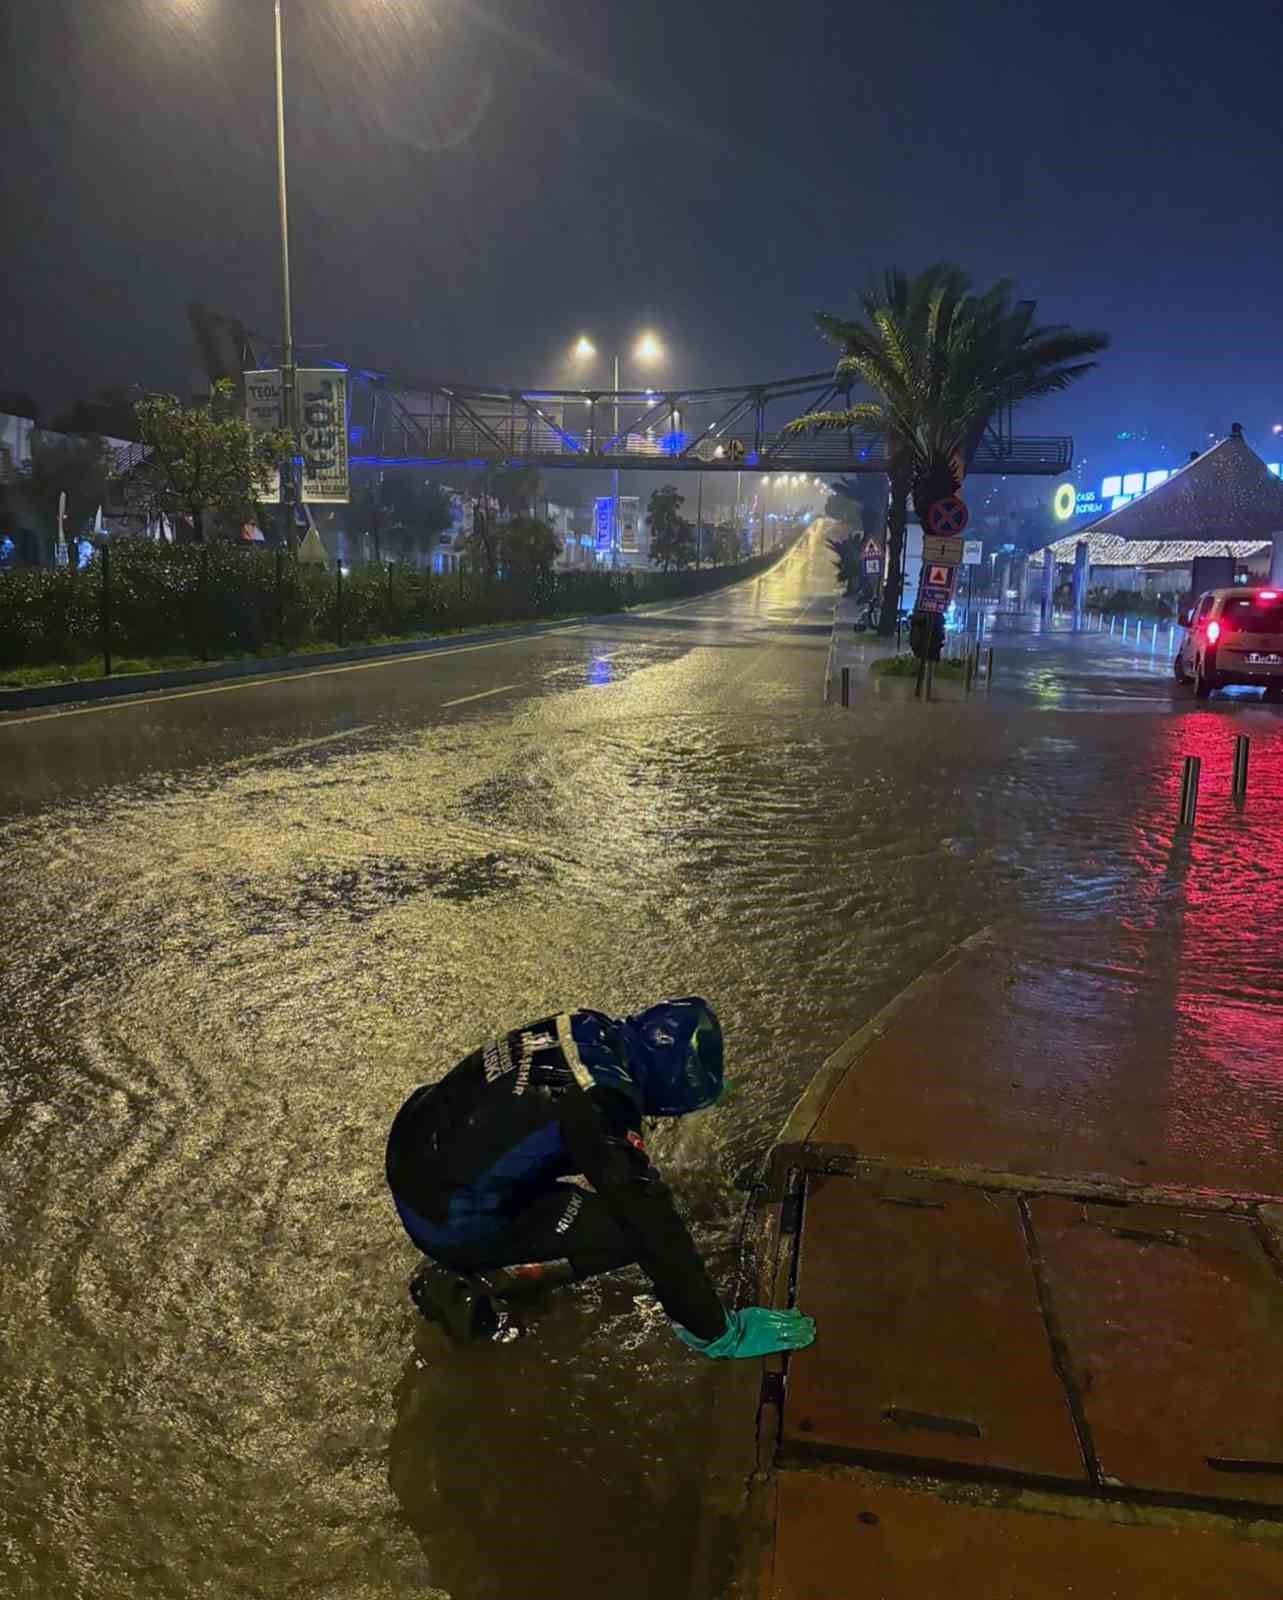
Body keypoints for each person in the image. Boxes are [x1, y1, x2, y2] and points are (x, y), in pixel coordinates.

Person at [385, 997, 816, 1358]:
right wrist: (712, 1327)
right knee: (625, 1231)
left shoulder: (588, 1028)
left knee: (550, 1160)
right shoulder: (599, 1107)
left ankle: (487, 1234)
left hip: (417, 1147)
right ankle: (474, 1280)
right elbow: (650, 1220)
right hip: (444, 1215)